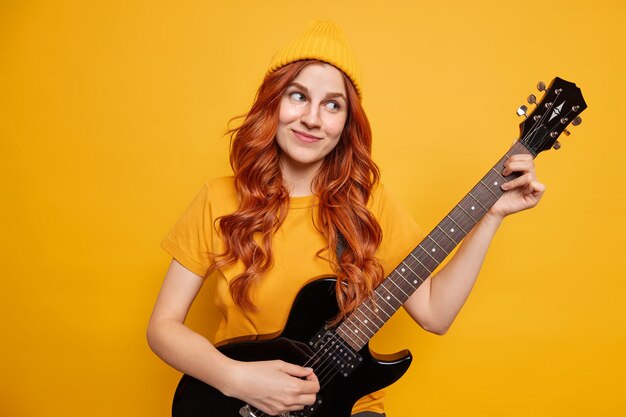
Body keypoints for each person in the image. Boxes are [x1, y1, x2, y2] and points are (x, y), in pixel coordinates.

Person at [147, 20, 545, 417]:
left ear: (346, 123)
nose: (312, 119)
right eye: (298, 96)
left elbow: (436, 315)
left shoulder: (369, 204)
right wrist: (238, 379)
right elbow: (163, 328)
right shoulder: (219, 199)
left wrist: (492, 214)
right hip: (239, 404)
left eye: (332, 105)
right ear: (273, 104)